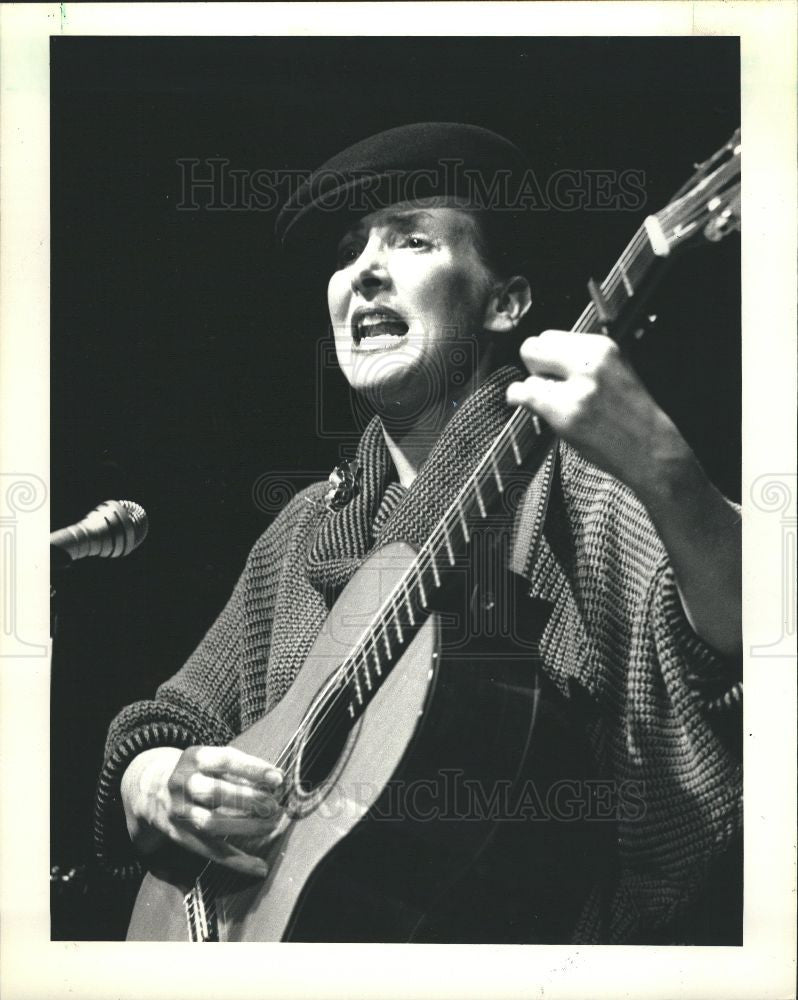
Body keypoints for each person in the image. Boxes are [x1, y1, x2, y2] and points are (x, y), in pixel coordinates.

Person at [94, 123, 742, 944]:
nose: (363, 271)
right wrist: (156, 782)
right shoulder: (302, 534)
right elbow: (173, 717)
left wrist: (670, 478)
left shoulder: (582, 481)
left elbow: (752, 652)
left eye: (412, 242)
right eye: (348, 251)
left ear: (505, 303)